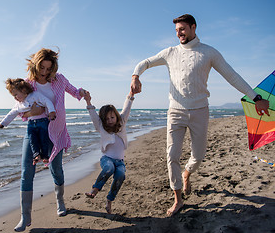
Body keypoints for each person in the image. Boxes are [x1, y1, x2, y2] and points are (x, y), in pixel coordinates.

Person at [130, 14, 270, 217]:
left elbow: (232, 76)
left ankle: (187, 172)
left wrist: (256, 98)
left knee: (198, 156)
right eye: (177, 30)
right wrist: (135, 76)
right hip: (175, 111)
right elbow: (145, 62)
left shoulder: (209, 52)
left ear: (193, 27)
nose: (179, 33)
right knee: (171, 155)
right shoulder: (170, 52)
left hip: (200, 111)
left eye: (182, 29)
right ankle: (178, 200)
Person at [14, 48, 86, 232]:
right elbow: (20, 110)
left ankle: (60, 200)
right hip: (34, 132)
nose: (45, 72)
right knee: (26, 171)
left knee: (56, 169)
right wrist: (34, 112)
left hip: (56, 131)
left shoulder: (59, 79)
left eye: (48, 68)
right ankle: (25, 217)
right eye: (42, 68)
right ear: (35, 66)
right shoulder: (27, 84)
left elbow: (73, 90)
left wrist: (82, 92)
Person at [83, 90, 135, 214]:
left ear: (117, 116)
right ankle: (95, 190)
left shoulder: (122, 123)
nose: (110, 120)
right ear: (103, 120)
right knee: (109, 168)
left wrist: (131, 95)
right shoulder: (101, 127)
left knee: (120, 176)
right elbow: (93, 116)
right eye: (107, 119)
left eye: (112, 117)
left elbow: (127, 109)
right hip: (107, 159)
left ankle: (109, 201)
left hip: (120, 162)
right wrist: (88, 102)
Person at [0, 78, 56, 163]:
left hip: (43, 121)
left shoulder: (35, 95)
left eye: (16, 95)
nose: (15, 98)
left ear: (24, 90)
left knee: (44, 139)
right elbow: (12, 113)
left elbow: (47, 101)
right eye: (13, 96)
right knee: (32, 140)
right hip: (31, 124)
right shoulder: (19, 104)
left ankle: (45, 156)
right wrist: (3, 123)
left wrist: (52, 111)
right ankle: (36, 155)